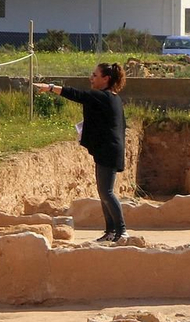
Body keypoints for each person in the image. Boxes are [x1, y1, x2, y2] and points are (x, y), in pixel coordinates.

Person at [36, 63, 129, 242]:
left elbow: (77, 95)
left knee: (107, 192)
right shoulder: (111, 97)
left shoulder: (104, 96)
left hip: (109, 150)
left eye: (95, 75)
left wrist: (50, 88)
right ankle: (110, 232)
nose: (91, 78)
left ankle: (122, 231)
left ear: (106, 79)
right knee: (103, 192)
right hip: (107, 149)